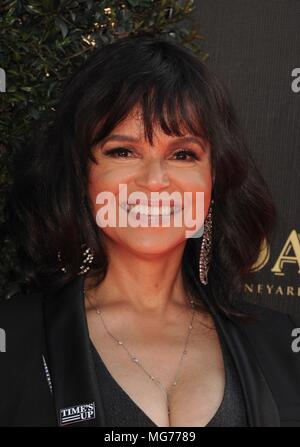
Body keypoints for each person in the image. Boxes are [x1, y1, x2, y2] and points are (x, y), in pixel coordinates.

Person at [0, 34, 300, 427]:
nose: (155, 181)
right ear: (80, 176)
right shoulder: (13, 337)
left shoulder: (282, 344)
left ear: (214, 180)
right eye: (123, 151)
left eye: (182, 154)